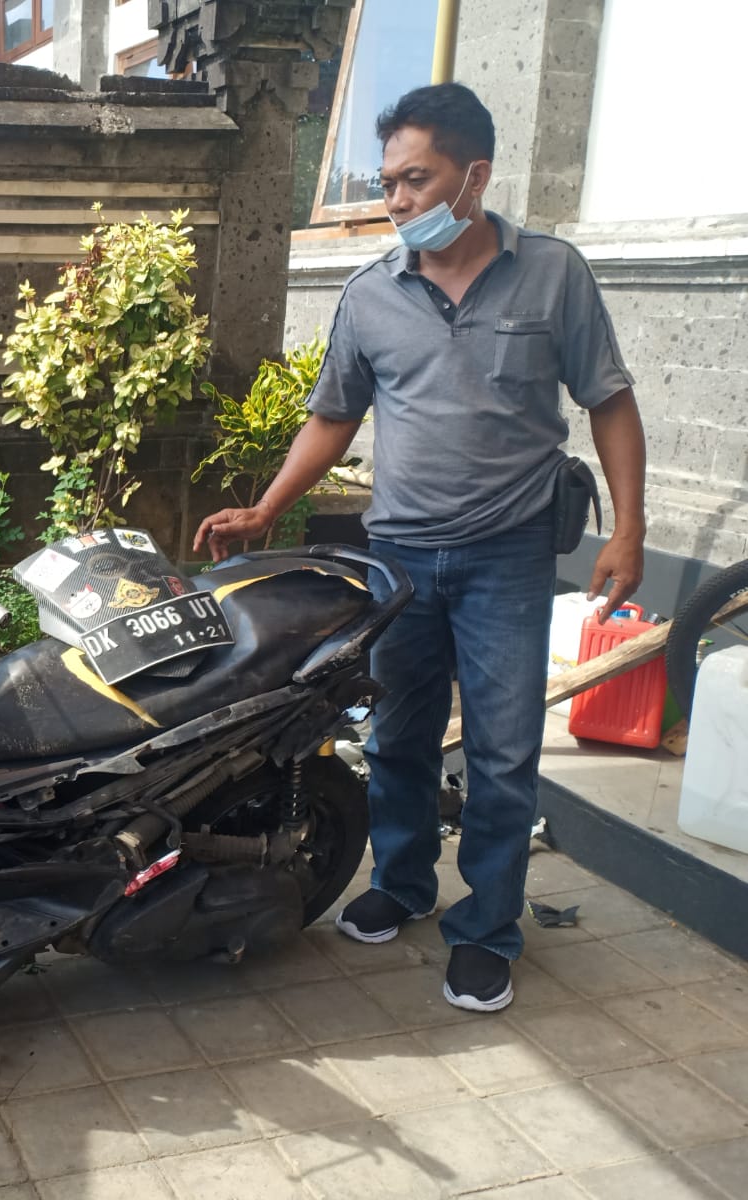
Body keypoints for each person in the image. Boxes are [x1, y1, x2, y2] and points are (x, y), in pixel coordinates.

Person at [192, 83, 647, 1012]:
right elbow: (332, 416)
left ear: (473, 176)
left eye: (415, 179)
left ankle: (485, 929)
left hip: (508, 558)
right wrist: (267, 506)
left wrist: (629, 531)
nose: (396, 200)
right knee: (395, 736)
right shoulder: (370, 294)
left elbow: (608, 400)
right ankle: (401, 884)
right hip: (399, 558)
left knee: (503, 752)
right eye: (387, 182)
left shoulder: (552, 274)